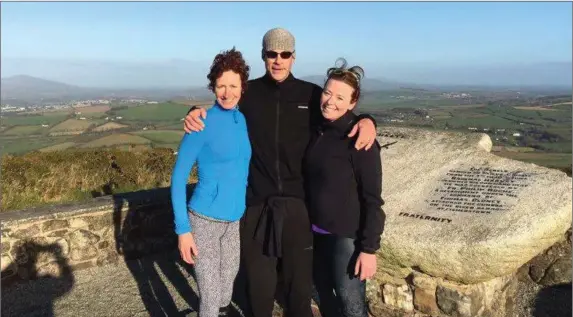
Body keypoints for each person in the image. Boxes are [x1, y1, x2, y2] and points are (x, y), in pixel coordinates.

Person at [183, 28, 378, 317]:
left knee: (298, 294)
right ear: (263, 56)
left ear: (293, 57)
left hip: (299, 210)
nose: (278, 60)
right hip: (257, 208)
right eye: (271, 54)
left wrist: (367, 120)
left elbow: (338, 112)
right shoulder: (249, 94)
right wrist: (194, 111)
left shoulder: (311, 95)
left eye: (284, 54)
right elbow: (221, 108)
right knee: (258, 293)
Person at [171, 47, 252, 317]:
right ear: (213, 87)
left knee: (228, 280)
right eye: (220, 86)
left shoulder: (242, 120)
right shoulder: (201, 124)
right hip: (204, 220)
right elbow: (178, 177)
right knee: (210, 293)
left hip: (233, 220)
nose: (227, 92)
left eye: (233, 85)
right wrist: (183, 230)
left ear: (242, 86)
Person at [304, 58, 385, 317]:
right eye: (327, 93)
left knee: (352, 307)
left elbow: (373, 200)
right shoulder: (319, 129)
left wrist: (369, 249)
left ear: (353, 103)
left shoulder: (360, 140)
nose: (331, 101)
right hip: (314, 233)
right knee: (324, 298)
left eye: (340, 97)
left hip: (346, 239)